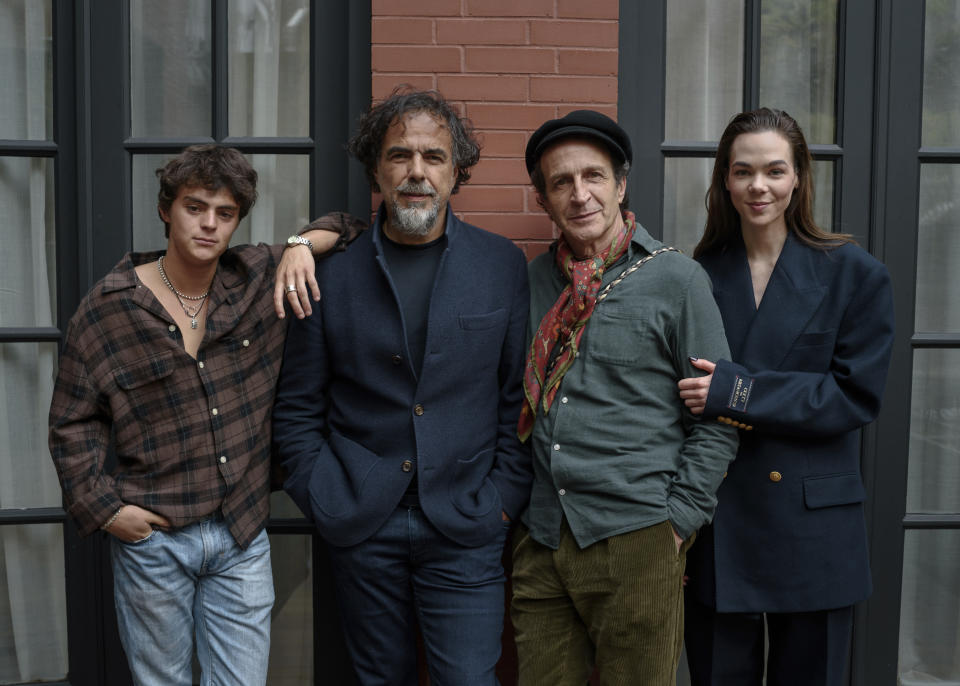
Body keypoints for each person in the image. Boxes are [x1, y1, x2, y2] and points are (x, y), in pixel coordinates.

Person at [48, 144, 362, 686]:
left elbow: (348, 225)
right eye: (195, 208)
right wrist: (105, 511)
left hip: (240, 533)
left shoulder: (259, 278)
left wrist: (298, 247)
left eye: (225, 214)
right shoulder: (110, 308)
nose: (209, 225)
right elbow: (72, 421)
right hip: (154, 539)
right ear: (166, 208)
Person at [271, 89, 532, 686]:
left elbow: (518, 400)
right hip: (361, 521)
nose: (417, 172)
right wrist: (324, 494)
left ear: (456, 171)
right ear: (376, 169)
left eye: (433, 157)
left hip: (467, 521)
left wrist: (498, 503)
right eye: (399, 156)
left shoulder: (500, 266)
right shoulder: (329, 272)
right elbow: (298, 409)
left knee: (468, 679)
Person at [510, 110, 739, 685]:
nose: (579, 194)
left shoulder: (676, 280)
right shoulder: (536, 281)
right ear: (544, 198)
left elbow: (719, 414)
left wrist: (678, 522)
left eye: (593, 176)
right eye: (561, 182)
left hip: (637, 536)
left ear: (621, 184)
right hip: (542, 536)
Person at [678, 108, 895, 686]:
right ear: (725, 178)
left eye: (775, 170)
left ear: (799, 175)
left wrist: (737, 391)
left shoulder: (855, 273)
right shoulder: (694, 275)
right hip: (720, 524)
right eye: (743, 171)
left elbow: (854, 397)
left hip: (814, 528)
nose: (758, 186)